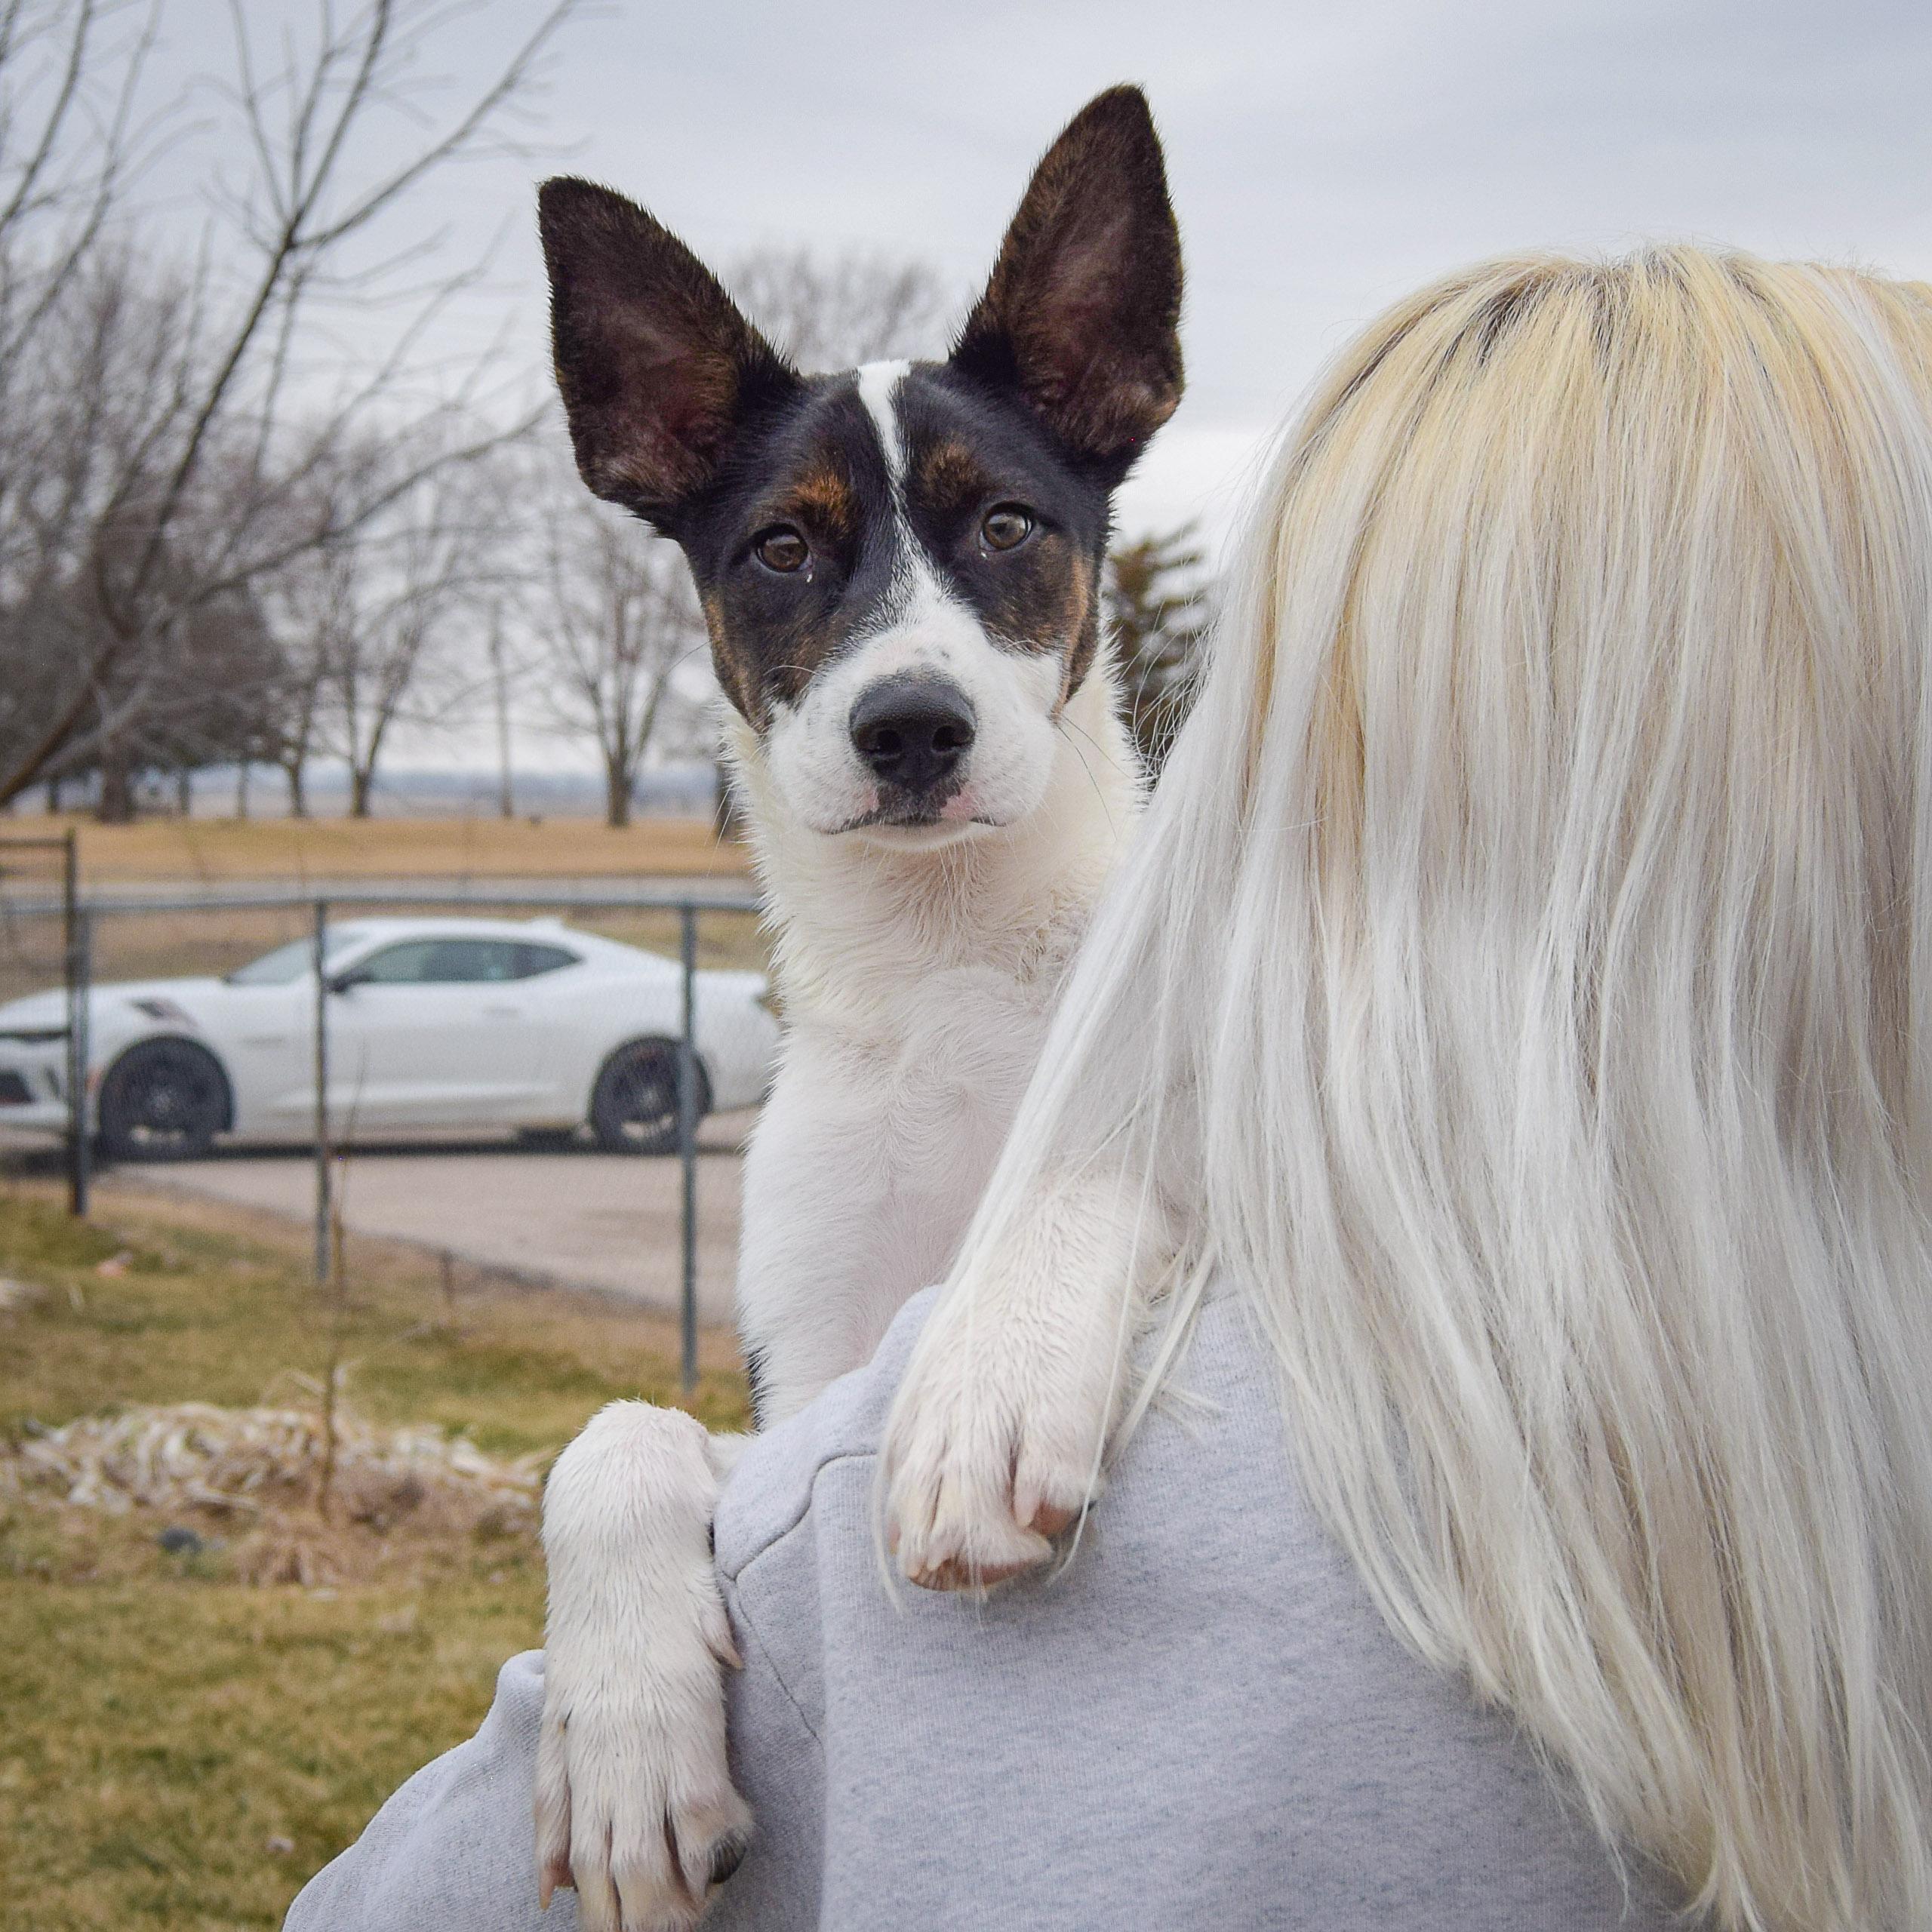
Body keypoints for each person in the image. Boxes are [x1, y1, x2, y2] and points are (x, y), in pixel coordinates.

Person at [286, 246, 1932, 1932]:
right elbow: (797, 1522)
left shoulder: (1251, 1024)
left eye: (999, 530)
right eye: (789, 551)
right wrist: (618, 1510)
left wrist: (1091, 1202)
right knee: (631, 1458)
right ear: (670, 482)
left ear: (1103, 427)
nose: (903, 672)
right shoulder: (832, 1115)